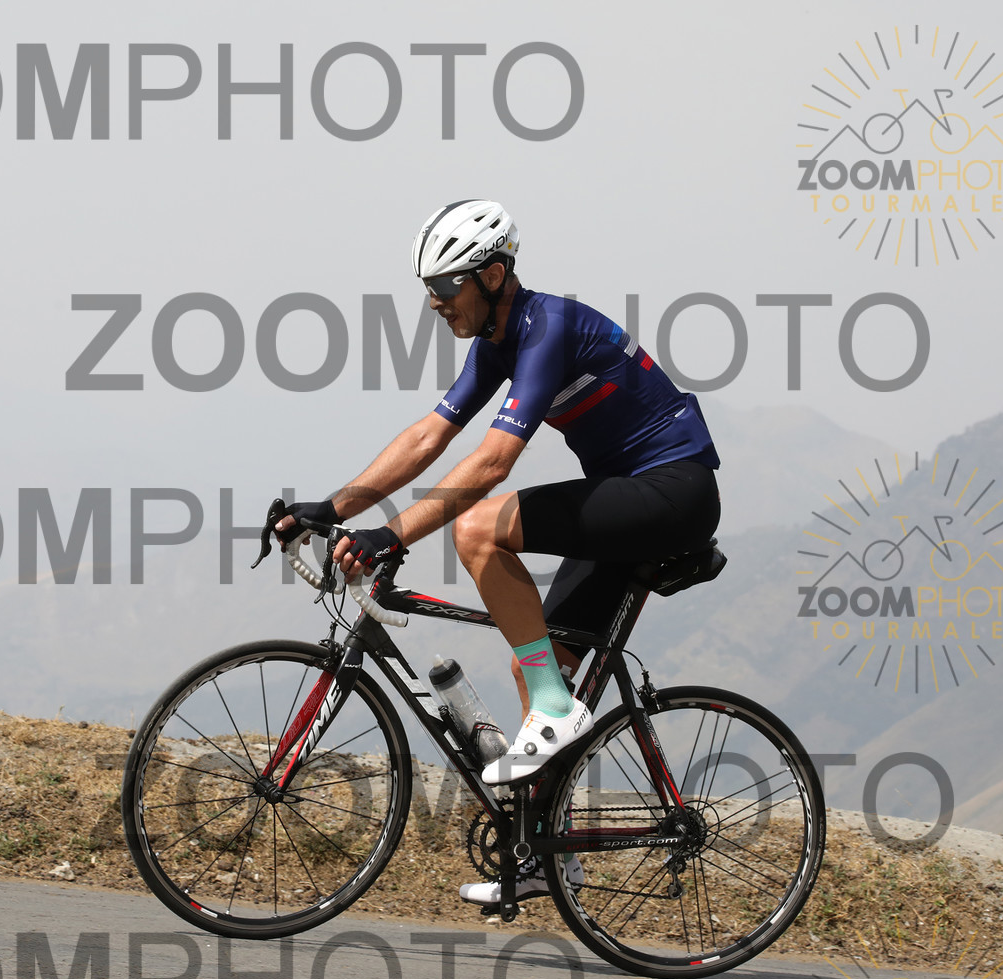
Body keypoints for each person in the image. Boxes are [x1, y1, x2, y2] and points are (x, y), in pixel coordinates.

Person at [275, 199, 721, 905]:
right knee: (534, 657)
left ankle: (554, 710)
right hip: (627, 495)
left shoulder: (549, 327)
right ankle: (550, 857)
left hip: (673, 490)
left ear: (492, 275)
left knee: (479, 528)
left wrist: (392, 534)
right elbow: (429, 436)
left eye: (445, 286)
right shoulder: (497, 342)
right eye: (428, 289)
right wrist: (333, 509)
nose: (434, 302)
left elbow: (491, 463)